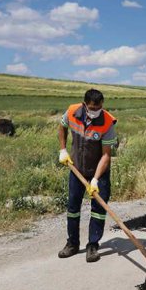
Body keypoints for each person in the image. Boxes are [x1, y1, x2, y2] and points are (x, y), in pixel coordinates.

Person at [57, 89, 117, 262]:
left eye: (98, 108)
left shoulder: (107, 122)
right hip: (77, 168)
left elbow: (106, 155)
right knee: (73, 207)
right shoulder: (72, 111)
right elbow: (62, 127)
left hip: (99, 170)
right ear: (85, 105)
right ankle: (72, 244)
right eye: (92, 108)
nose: (95, 111)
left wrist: (96, 180)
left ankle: (93, 246)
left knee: (98, 210)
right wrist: (63, 150)